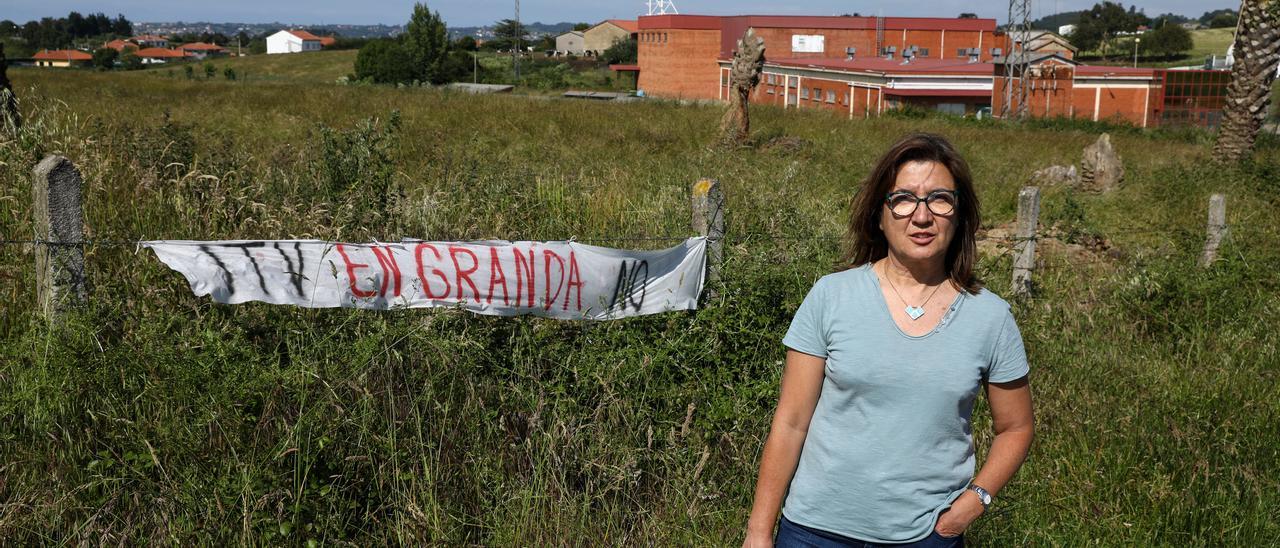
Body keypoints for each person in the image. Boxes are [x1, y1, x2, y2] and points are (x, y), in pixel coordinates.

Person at [742, 133, 1035, 547]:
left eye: (939, 199)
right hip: (813, 532)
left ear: (959, 214)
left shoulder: (991, 317)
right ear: (880, 214)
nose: (921, 216)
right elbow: (790, 423)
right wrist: (758, 530)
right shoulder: (831, 295)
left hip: (925, 535)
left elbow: (1016, 427)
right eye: (904, 199)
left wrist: (973, 502)